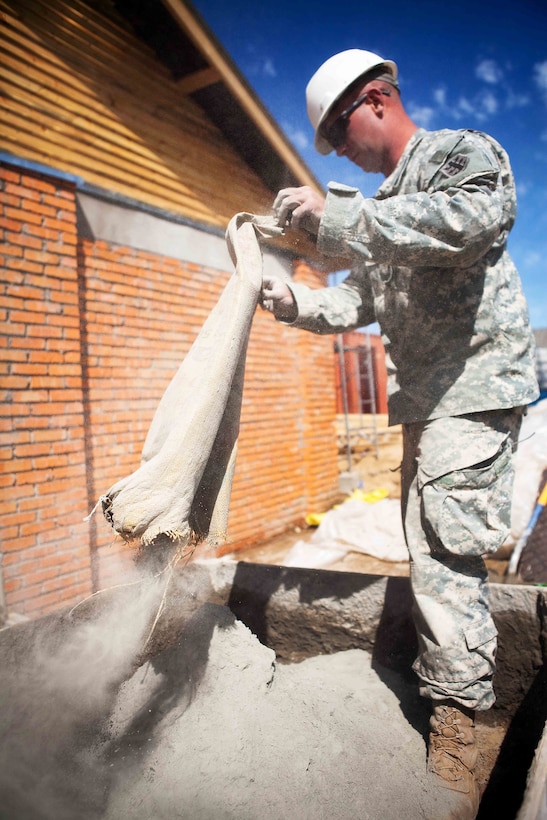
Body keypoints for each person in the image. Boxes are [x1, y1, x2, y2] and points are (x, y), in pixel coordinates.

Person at [261, 49, 539, 816]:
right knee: (426, 539)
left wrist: (341, 216)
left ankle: (459, 726)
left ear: (376, 99)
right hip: (426, 399)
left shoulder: (459, 155)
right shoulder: (383, 211)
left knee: (445, 554)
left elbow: (474, 219)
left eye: (338, 135)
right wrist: (293, 304)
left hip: (473, 389)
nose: (338, 153)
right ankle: (457, 697)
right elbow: (360, 302)